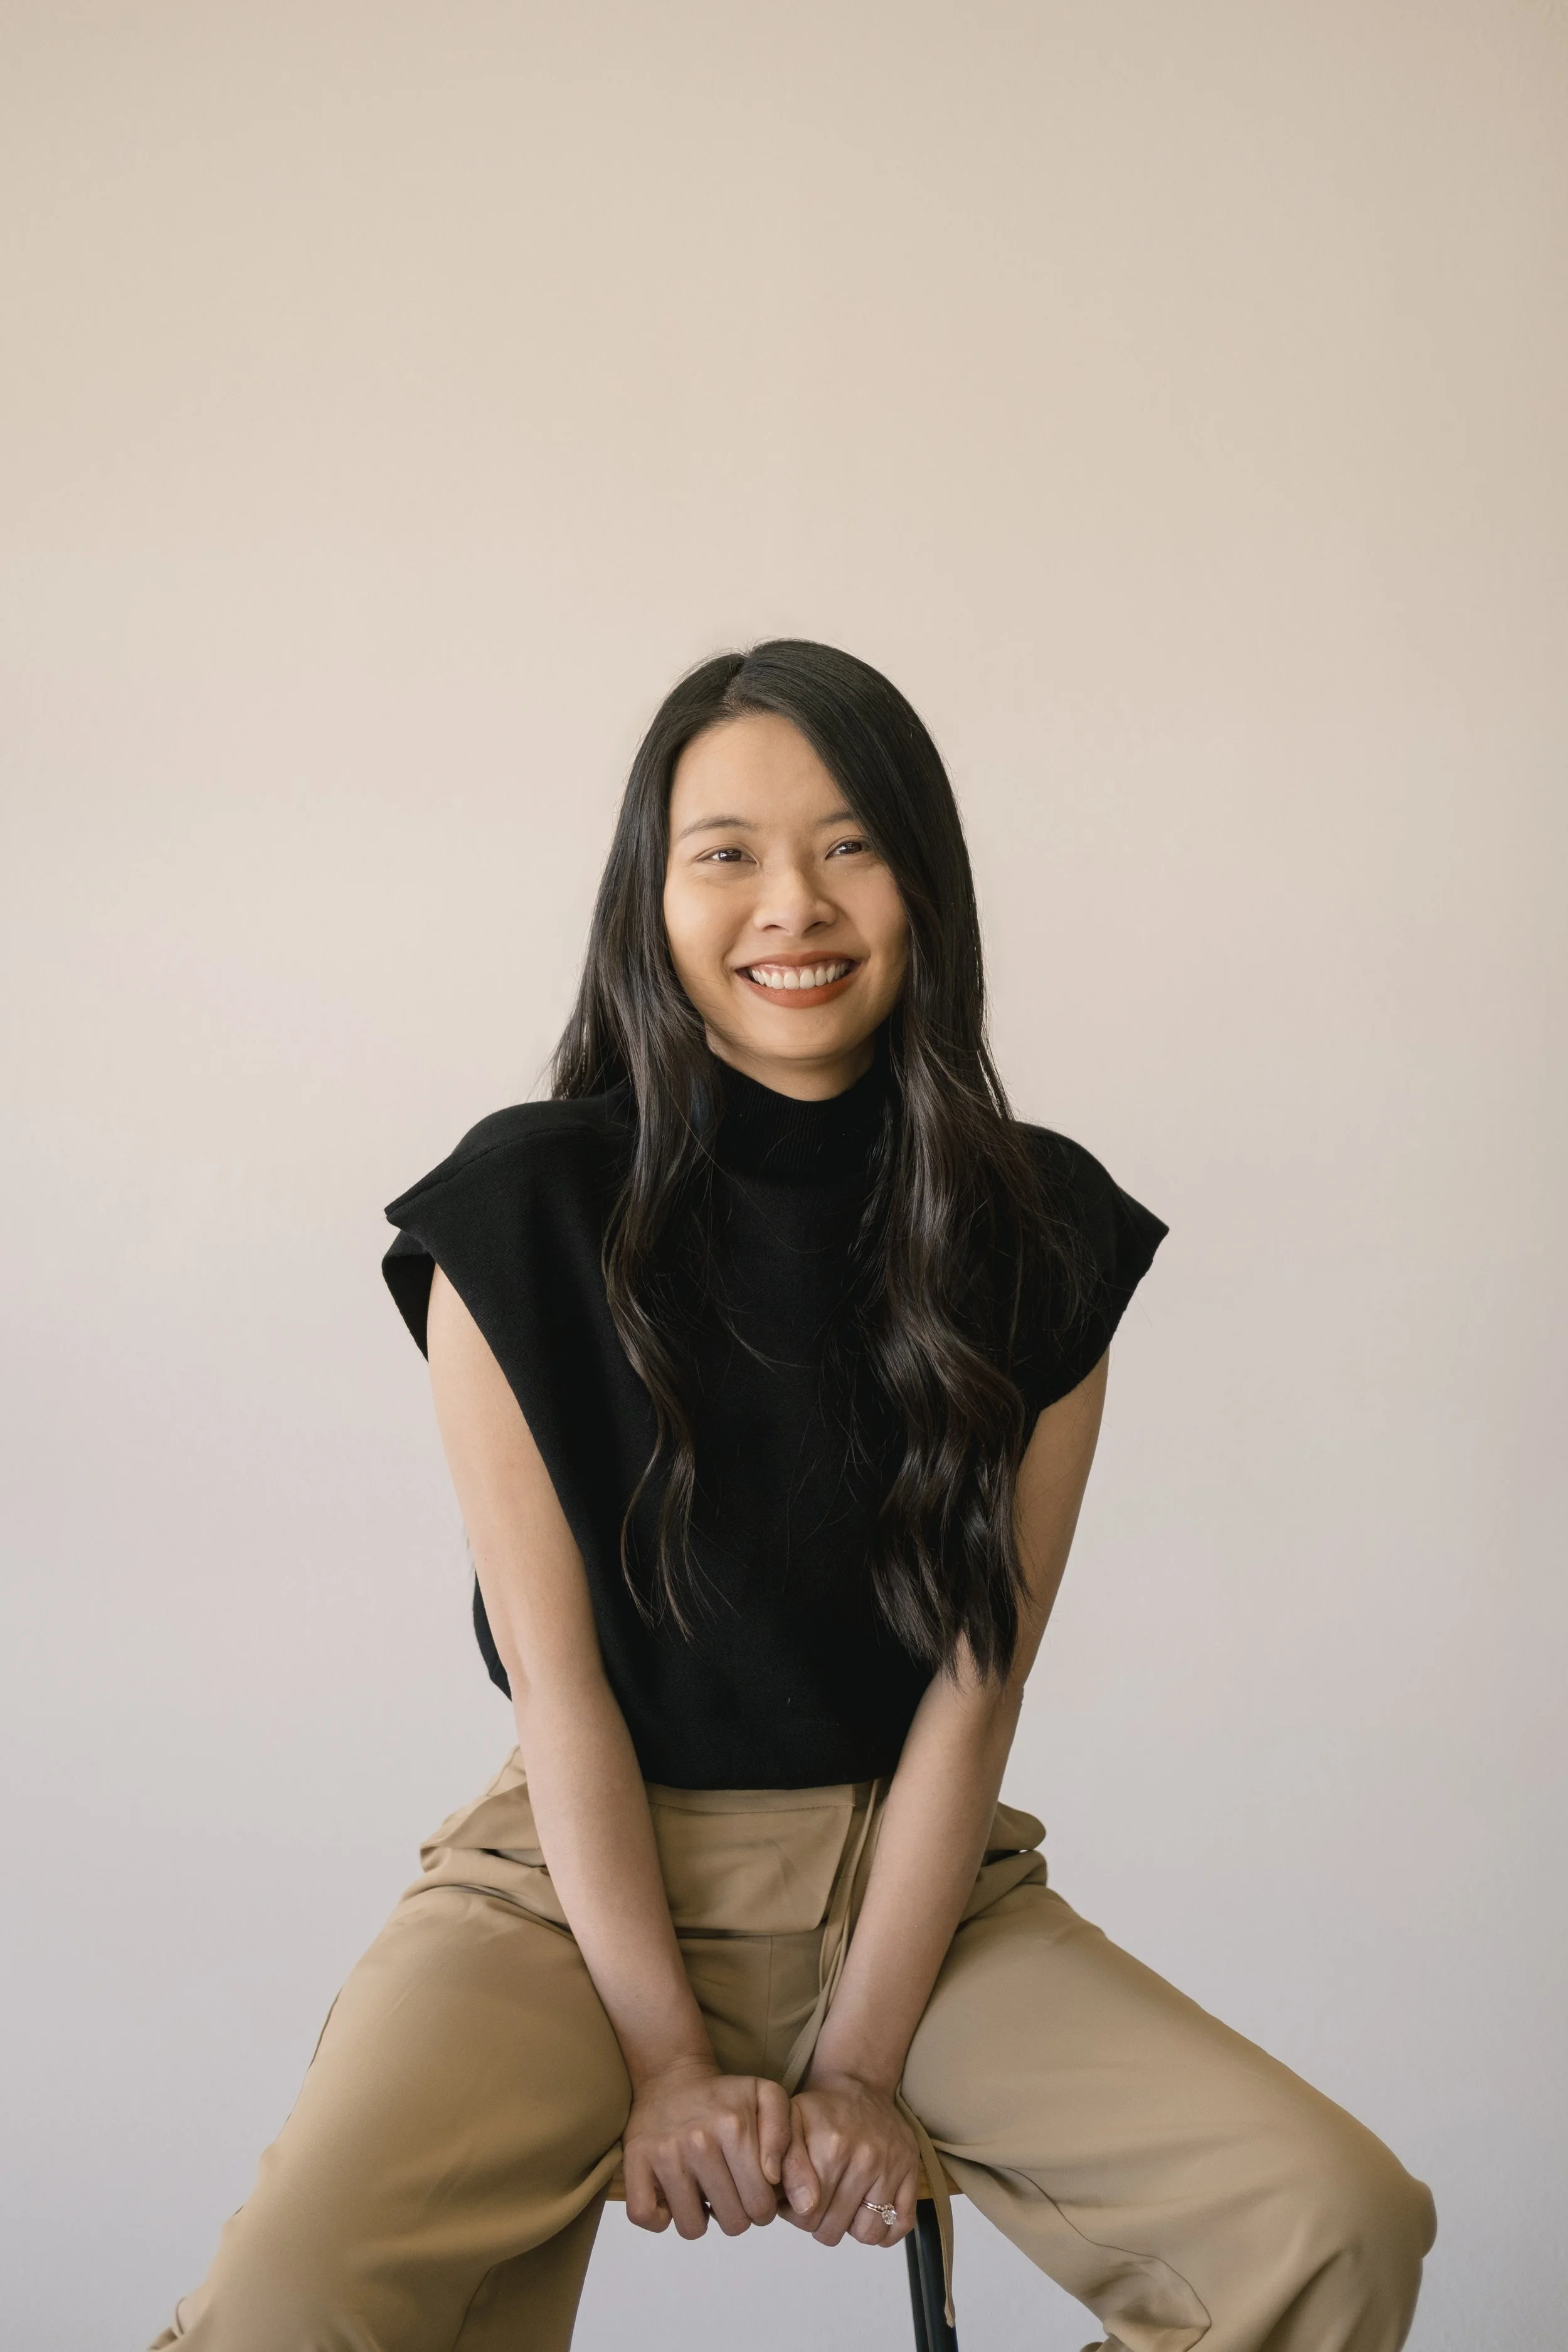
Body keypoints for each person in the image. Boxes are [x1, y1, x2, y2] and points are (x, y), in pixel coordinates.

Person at [151, 641, 1435, 2352]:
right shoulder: (519, 1212)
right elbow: (563, 1683)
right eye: (724, 852)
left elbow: (976, 1692)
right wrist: (669, 2059)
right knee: (284, 2304)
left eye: (846, 843)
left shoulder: (1041, 1235)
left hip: (907, 1880)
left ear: (922, 878)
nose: (791, 905)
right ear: (649, 898)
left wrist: (856, 2066)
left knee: (1332, 2220)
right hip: (572, 1881)